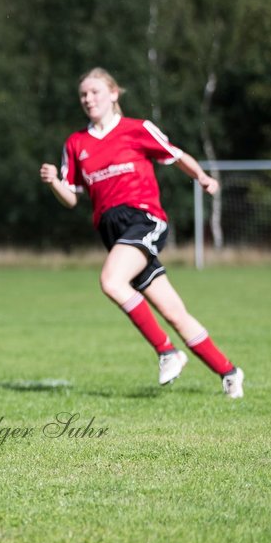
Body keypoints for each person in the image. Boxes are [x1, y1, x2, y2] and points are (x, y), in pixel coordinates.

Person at [39, 67, 244, 398]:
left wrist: (202, 177)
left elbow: (177, 156)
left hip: (144, 219)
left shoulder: (137, 129)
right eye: (83, 95)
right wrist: (54, 183)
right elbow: (71, 199)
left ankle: (167, 352)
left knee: (110, 281)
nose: (88, 99)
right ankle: (229, 372)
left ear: (113, 94)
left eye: (94, 92)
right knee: (174, 312)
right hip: (114, 233)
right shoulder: (75, 143)